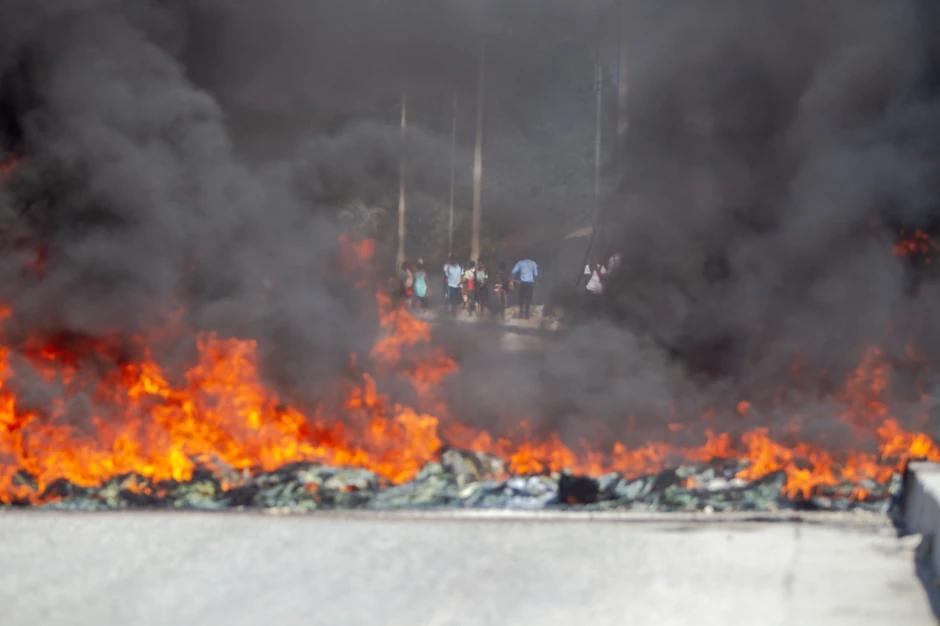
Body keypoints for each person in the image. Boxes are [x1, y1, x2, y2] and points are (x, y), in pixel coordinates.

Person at [511, 255, 538, 320]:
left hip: (522, 283)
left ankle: (521, 314)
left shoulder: (520, 263)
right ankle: (526, 314)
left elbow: (513, 271)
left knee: (521, 298)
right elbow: (536, 274)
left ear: (523, 257)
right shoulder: (533, 263)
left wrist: (513, 278)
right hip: (530, 284)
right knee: (528, 299)